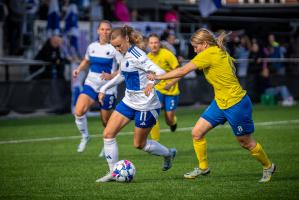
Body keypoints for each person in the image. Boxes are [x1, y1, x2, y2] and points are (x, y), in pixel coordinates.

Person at [147, 28, 276, 183]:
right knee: (197, 133)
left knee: (245, 142)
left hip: (236, 103)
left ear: (205, 44)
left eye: (196, 46)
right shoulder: (214, 51)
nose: (194, 50)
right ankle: (203, 168)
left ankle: (268, 166)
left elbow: (182, 71)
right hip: (220, 102)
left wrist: (157, 77)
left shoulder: (209, 54)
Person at [96, 26, 176, 183]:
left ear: (126, 39)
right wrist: (104, 88)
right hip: (129, 102)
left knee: (139, 145)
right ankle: (113, 173)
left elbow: (160, 72)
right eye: (114, 46)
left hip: (147, 105)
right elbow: (122, 74)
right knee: (108, 134)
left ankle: (168, 154)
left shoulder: (138, 55)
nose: (117, 49)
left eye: (119, 45)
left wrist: (151, 84)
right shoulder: (122, 54)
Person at [72, 20, 119, 153]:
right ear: (98, 31)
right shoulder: (92, 46)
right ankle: (85, 136)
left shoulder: (115, 48)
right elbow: (86, 60)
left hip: (108, 87)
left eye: (107, 29)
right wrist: (78, 69)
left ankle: (107, 143)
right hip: (91, 83)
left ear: (111, 31)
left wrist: (111, 76)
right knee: (79, 111)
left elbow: (122, 68)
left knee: (105, 121)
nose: (105, 32)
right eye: (102, 29)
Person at [147, 33, 180, 141]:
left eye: (156, 42)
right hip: (157, 89)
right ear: (148, 45)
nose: (154, 45)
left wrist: (170, 83)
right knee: (153, 111)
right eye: (151, 43)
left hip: (171, 90)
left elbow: (179, 71)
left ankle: (173, 122)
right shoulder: (147, 58)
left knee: (169, 119)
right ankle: (155, 141)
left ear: (159, 43)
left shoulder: (167, 54)